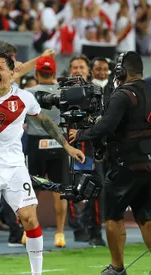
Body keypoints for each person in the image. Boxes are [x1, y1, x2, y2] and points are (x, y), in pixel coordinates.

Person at [0, 52, 85, 275]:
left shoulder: (25, 98)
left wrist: (67, 146)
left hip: (16, 168)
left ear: (11, 72)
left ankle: (36, 273)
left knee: (30, 219)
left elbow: (45, 121)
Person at [69, 51, 151, 275]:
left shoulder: (121, 94)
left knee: (113, 217)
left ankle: (117, 267)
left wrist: (82, 133)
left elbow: (105, 127)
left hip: (123, 165)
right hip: (147, 163)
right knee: (146, 216)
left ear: (121, 71)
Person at [25, 56, 69, 248]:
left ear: (36, 73)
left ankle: (29, 233)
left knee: (32, 190)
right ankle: (60, 233)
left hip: (37, 143)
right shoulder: (64, 92)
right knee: (59, 190)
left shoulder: (28, 93)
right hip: (59, 144)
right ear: (54, 72)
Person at [66, 55, 106, 246]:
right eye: (74, 67)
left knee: (96, 189)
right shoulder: (62, 92)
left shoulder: (97, 92)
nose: (78, 70)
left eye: (81, 66)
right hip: (69, 148)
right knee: (70, 190)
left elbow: (102, 119)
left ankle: (95, 231)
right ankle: (78, 227)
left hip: (91, 149)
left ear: (88, 70)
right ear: (69, 70)